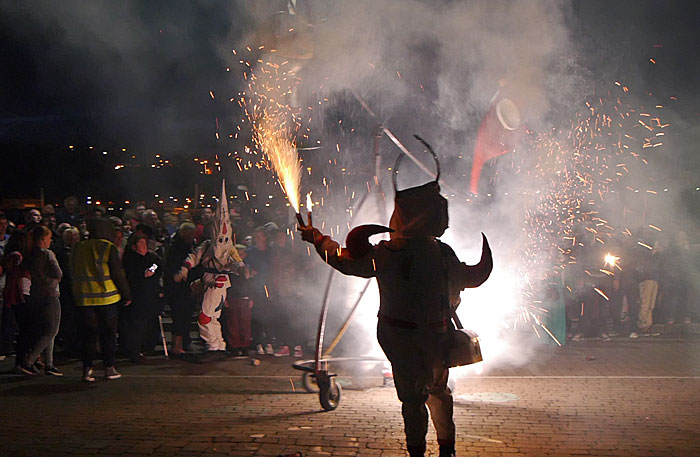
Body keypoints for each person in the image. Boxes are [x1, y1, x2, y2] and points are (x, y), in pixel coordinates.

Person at [299, 146, 492, 457]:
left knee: (415, 398)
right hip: (427, 335)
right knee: (438, 393)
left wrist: (318, 238)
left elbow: (344, 261)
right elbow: (469, 278)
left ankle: (424, 451)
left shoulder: (389, 253)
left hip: (401, 336)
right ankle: (446, 451)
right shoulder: (437, 253)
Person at [174, 181, 244, 356]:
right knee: (211, 317)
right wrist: (184, 269)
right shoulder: (206, 245)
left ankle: (213, 345)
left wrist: (241, 268)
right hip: (206, 282)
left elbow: (235, 262)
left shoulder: (228, 248)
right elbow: (193, 257)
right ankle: (217, 345)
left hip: (218, 284)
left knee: (205, 318)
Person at [72, 218, 131, 381]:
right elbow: (117, 274)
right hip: (107, 298)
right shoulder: (108, 247)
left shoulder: (78, 247)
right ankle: (109, 368)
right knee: (108, 335)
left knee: (88, 336)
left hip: (83, 298)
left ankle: (87, 369)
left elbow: (72, 270)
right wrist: (127, 294)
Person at [21, 225, 63, 376]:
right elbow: (58, 274)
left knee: (46, 330)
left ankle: (49, 364)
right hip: (49, 295)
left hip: (35, 294)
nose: (51, 241)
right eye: (49, 238)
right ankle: (29, 360)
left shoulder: (30, 254)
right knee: (52, 330)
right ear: (43, 239)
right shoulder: (47, 254)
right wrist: (50, 283)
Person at [121, 233, 162, 362]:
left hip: (151, 295)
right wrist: (142, 275)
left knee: (149, 322)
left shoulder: (151, 257)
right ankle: (134, 350)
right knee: (136, 324)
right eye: (141, 244)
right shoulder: (130, 259)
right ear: (134, 247)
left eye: (145, 243)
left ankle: (148, 345)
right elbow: (130, 276)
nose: (144, 246)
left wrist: (152, 270)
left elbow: (158, 265)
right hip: (137, 296)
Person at [165, 222, 197, 355]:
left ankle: (182, 343)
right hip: (178, 288)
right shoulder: (177, 248)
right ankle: (177, 345)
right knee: (180, 317)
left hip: (183, 288)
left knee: (184, 317)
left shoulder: (184, 245)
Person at [222, 244, 253, 357]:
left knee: (245, 323)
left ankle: (245, 346)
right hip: (233, 298)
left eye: (241, 254)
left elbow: (251, 285)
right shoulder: (229, 269)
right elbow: (226, 285)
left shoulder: (247, 268)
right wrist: (225, 297)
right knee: (233, 323)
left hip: (244, 298)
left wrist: (251, 297)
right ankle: (234, 346)